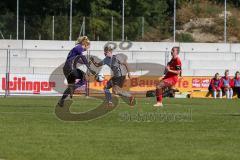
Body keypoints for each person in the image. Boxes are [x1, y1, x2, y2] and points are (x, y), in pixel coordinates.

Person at [58, 36, 96, 107]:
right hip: (70, 67)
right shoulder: (79, 47)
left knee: (72, 86)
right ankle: (73, 87)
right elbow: (83, 57)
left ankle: (62, 100)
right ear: (85, 45)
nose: (87, 49)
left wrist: (88, 63)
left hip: (66, 68)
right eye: (88, 47)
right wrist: (90, 68)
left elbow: (79, 60)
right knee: (84, 78)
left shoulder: (76, 49)